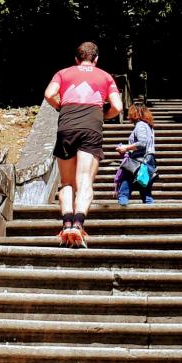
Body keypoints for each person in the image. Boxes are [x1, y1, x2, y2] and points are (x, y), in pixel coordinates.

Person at [43, 41, 123, 247]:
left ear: (76, 59)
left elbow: (49, 94)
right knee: (85, 180)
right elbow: (117, 106)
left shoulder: (63, 73)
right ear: (96, 59)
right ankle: (78, 224)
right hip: (91, 126)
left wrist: (61, 106)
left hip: (67, 125)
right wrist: (103, 115)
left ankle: (66, 224)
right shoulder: (105, 76)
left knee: (67, 182)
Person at [116, 104, 157, 205]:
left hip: (139, 160)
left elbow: (142, 143)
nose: (128, 116)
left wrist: (125, 148)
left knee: (125, 182)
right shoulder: (148, 126)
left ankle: (122, 206)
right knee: (145, 189)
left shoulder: (140, 125)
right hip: (147, 159)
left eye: (130, 114)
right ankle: (151, 212)